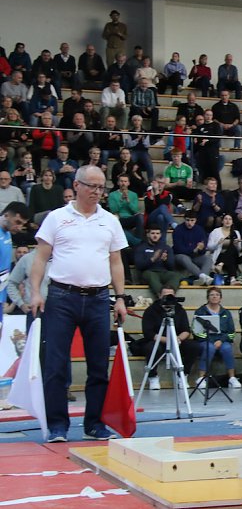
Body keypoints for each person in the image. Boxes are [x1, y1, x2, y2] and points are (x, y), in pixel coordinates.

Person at [30, 166, 126, 442]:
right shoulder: (56, 217)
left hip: (99, 298)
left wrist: (120, 297)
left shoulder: (110, 221)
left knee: (98, 364)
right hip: (62, 297)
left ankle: (94, 424)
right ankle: (57, 425)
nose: (97, 192)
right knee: (55, 364)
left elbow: (116, 261)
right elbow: (40, 258)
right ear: (76, 185)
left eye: (101, 187)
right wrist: (35, 292)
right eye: (91, 186)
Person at [140, 285, 199, 391]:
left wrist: (178, 339)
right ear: (159, 296)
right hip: (159, 341)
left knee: (194, 346)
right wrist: (168, 340)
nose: (168, 298)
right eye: (165, 295)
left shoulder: (179, 309)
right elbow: (148, 333)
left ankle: (183, 375)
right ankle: (153, 376)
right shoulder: (151, 310)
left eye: (170, 295)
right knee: (151, 348)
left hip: (177, 341)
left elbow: (186, 330)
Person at [192, 286, 241, 389]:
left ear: (220, 298)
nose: (214, 297)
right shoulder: (200, 312)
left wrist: (221, 340)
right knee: (209, 348)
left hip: (222, 341)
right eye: (212, 295)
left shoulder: (226, 313)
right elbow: (196, 331)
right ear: (208, 297)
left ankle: (232, 378)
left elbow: (231, 332)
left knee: (227, 348)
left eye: (217, 295)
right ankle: (201, 378)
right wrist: (211, 341)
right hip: (205, 340)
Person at [135, 226, 185, 297]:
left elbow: (171, 267)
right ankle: (162, 296)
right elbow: (139, 266)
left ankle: (169, 295)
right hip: (148, 272)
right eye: (153, 233)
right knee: (152, 276)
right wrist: (152, 259)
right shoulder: (141, 247)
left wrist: (165, 260)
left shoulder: (166, 248)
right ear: (148, 234)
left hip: (163, 272)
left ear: (160, 235)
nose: (155, 236)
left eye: (157, 233)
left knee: (176, 275)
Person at [172, 211, 214, 286]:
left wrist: (201, 249)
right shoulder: (178, 230)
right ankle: (203, 276)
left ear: (195, 220)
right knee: (184, 258)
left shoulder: (200, 230)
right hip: (180, 256)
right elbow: (178, 248)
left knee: (208, 259)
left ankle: (202, 280)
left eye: (192, 220)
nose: (189, 223)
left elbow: (203, 249)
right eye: (187, 220)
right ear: (184, 219)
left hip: (195, 256)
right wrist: (193, 250)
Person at [207, 213, 242, 285]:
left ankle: (220, 264)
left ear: (232, 222)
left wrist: (237, 245)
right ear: (222, 221)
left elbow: (239, 249)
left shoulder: (236, 233)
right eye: (226, 219)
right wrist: (218, 244)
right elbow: (209, 247)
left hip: (233, 256)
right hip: (219, 256)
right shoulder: (216, 231)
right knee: (231, 256)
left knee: (232, 247)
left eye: (230, 219)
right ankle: (232, 279)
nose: (228, 221)